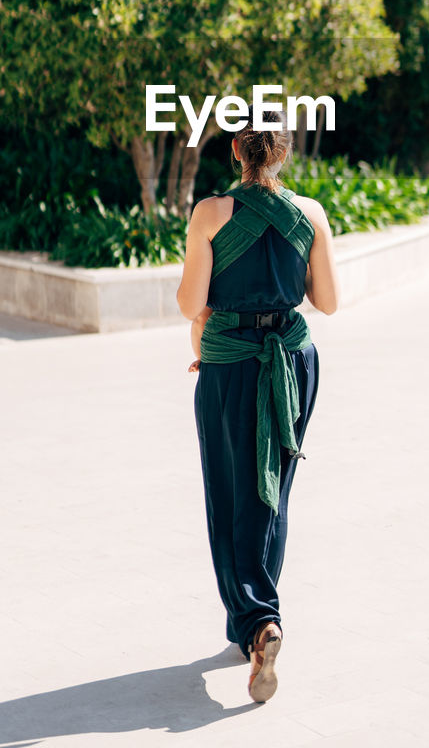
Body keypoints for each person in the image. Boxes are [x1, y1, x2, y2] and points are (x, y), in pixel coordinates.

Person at [176, 109, 340, 703]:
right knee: (272, 490)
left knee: (230, 488)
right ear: (283, 153)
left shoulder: (212, 213)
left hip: (230, 366)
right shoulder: (311, 215)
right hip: (291, 366)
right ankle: (254, 620)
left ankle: (256, 621)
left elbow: (190, 301)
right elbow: (327, 302)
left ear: (235, 154)